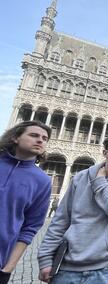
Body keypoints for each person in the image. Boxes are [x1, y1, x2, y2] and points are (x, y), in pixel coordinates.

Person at [37, 134, 108, 283]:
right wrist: (46, 258)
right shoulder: (80, 177)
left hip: (104, 267)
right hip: (67, 264)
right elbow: (61, 219)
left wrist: (99, 180)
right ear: (105, 152)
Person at [0, 121, 52, 284]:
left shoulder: (42, 181)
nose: (40, 140)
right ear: (15, 138)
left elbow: (31, 227)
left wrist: (8, 268)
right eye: (34, 135)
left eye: (44, 138)